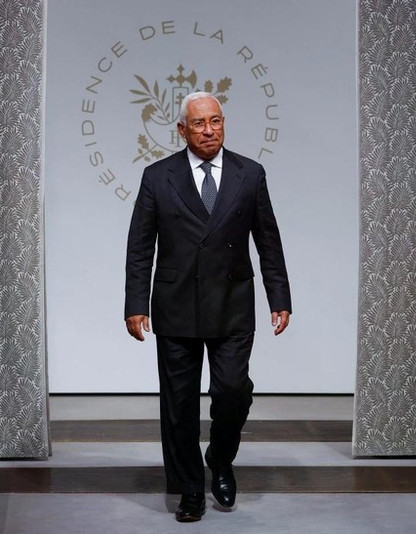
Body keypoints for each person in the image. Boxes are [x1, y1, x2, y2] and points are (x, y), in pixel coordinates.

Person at [124, 91, 292, 522]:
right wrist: (134, 303)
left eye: (216, 121)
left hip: (233, 304)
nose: (209, 130)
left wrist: (280, 297)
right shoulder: (157, 176)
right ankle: (191, 489)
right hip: (175, 305)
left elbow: (267, 240)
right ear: (182, 130)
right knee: (179, 403)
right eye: (199, 123)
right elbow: (140, 247)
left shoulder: (249, 174)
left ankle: (219, 457)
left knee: (233, 391)